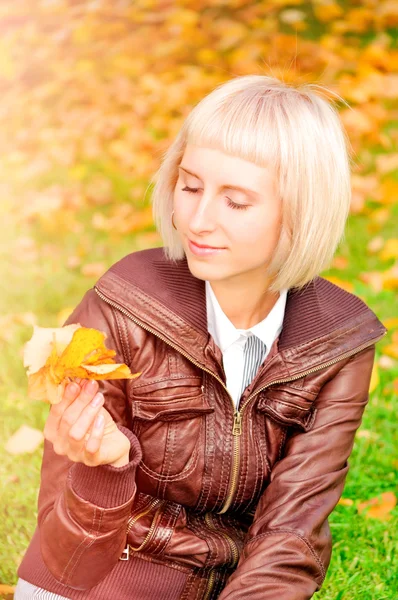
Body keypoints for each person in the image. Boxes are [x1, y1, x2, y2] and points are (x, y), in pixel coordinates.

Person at [15, 74, 387, 600]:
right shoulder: (122, 306)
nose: (199, 219)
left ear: (301, 213)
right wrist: (106, 469)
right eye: (190, 187)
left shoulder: (337, 342)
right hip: (105, 575)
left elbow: (291, 533)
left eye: (236, 202)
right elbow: (63, 545)